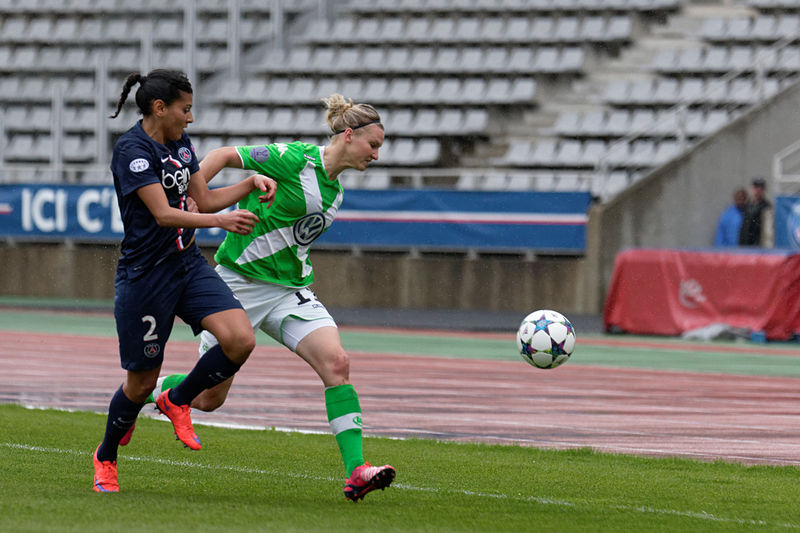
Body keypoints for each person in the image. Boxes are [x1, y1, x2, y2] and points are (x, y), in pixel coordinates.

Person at [123, 93, 395, 502]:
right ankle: (142, 395)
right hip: (239, 286)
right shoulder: (296, 158)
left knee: (337, 363)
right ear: (350, 134)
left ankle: (357, 470)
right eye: (373, 145)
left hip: (289, 291)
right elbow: (223, 153)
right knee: (210, 399)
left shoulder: (335, 190)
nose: (376, 155)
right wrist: (195, 196)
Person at [92, 69, 277, 493]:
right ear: (160, 108)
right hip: (146, 277)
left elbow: (206, 196)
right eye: (185, 108)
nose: (190, 118)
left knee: (240, 339)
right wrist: (219, 221)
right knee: (139, 383)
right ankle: (105, 457)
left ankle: (176, 400)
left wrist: (249, 183)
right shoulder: (132, 151)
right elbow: (163, 213)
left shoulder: (180, 144)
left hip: (187, 264)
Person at [738, 177, 774, 247]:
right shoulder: (748, 205)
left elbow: (767, 231)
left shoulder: (766, 207)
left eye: (761, 188)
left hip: (757, 246)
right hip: (745, 245)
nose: (758, 190)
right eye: (756, 187)